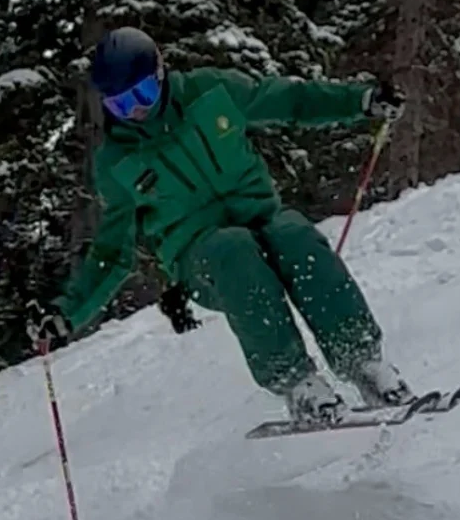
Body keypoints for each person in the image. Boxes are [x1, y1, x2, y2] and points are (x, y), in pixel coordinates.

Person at [26, 26, 409, 427]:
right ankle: (298, 384)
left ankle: (363, 362)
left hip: (264, 223)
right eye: (121, 104)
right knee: (234, 249)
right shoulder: (117, 162)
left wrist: (360, 101)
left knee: (296, 235)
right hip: (200, 257)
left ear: (161, 74)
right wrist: (67, 314)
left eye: (143, 95)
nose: (135, 110)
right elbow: (112, 252)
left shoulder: (211, 92)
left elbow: (291, 100)